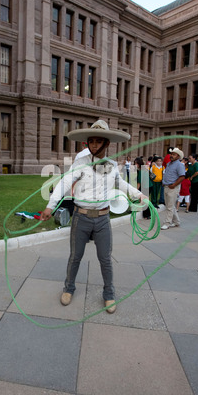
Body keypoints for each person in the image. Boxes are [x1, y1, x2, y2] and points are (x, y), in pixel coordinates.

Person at [41, 120, 147, 314]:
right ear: (88, 143)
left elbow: (121, 184)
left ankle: (109, 294)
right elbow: (64, 183)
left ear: (107, 144)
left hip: (103, 219)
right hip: (81, 218)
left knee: (105, 258)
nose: (95, 144)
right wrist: (50, 206)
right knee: (75, 257)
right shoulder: (80, 163)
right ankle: (69, 288)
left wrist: (138, 195)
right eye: (92, 141)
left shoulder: (113, 165)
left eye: (99, 141)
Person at [161, 148, 186, 230]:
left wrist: (174, 184)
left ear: (178, 156)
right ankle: (176, 222)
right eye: (171, 154)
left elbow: (182, 176)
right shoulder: (169, 164)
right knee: (170, 206)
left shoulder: (179, 165)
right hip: (166, 186)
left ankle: (167, 223)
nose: (171, 156)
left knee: (170, 207)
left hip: (173, 187)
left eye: (174, 154)